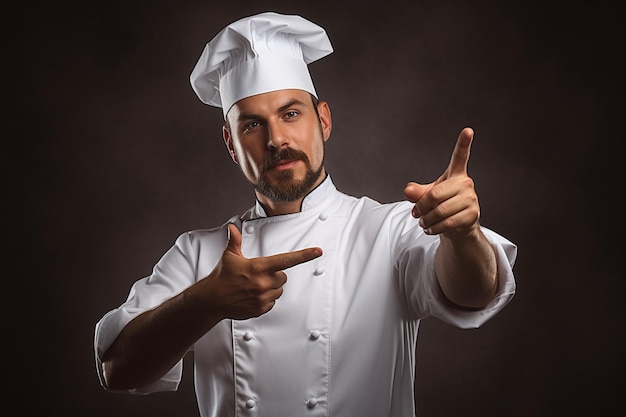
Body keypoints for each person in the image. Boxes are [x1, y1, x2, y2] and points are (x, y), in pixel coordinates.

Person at [94, 11, 517, 417]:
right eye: (252, 125)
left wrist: (463, 235)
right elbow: (117, 369)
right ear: (230, 143)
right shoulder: (198, 254)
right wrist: (204, 303)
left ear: (324, 120)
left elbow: (473, 292)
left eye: (291, 114)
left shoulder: (387, 230)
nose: (277, 138)